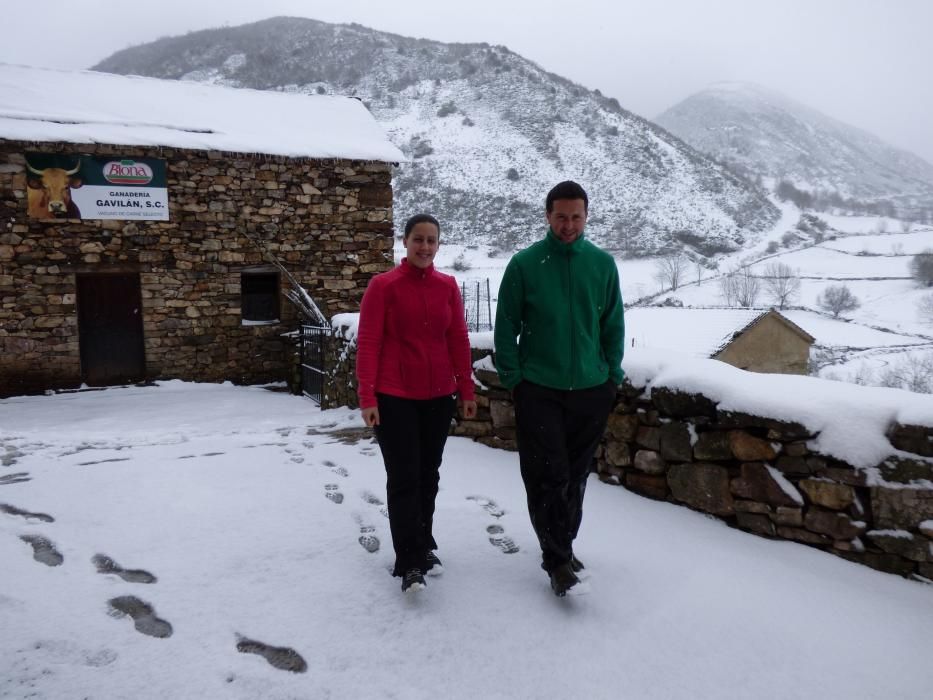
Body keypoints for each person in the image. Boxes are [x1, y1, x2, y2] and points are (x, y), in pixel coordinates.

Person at [494, 181, 625, 597]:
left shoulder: (602, 265)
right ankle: (557, 561)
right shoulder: (525, 265)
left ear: (586, 216)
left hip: (591, 389)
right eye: (561, 216)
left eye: (576, 216)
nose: (568, 224)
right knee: (547, 475)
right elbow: (506, 327)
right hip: (540, 388)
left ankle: (561, 546)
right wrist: (515, 379)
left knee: (575, 477)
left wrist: (612, 376)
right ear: (547, 216)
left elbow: (613, 326)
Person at [356, 213, 478, 594]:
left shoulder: (447, 286)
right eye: (418, 239)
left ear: (439, 245)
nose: (425, 247)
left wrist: (467, 389)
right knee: (405, 477)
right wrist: (367, 396)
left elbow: (457, 338)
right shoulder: (383, 286)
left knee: (429, 476)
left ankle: (424, 544)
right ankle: (408, 560)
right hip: (395, 398)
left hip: (439, 397)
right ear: (405, 242)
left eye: (431, 241)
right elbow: (370, 341)